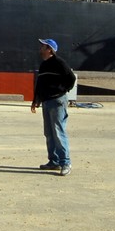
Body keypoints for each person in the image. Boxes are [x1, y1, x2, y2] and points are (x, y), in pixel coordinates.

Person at [31, 38, 76, 176]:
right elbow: (40, 84)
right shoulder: (44, 65)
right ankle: (54, 161)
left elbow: (71, 78)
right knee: (49, 133)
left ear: (49, 49)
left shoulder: (59, 63)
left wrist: (61, 90)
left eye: (43, 46)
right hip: (46, 102)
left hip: (57, 101)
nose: (40, 48)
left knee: (58, 132)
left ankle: (65, 162)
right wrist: (36, 100)